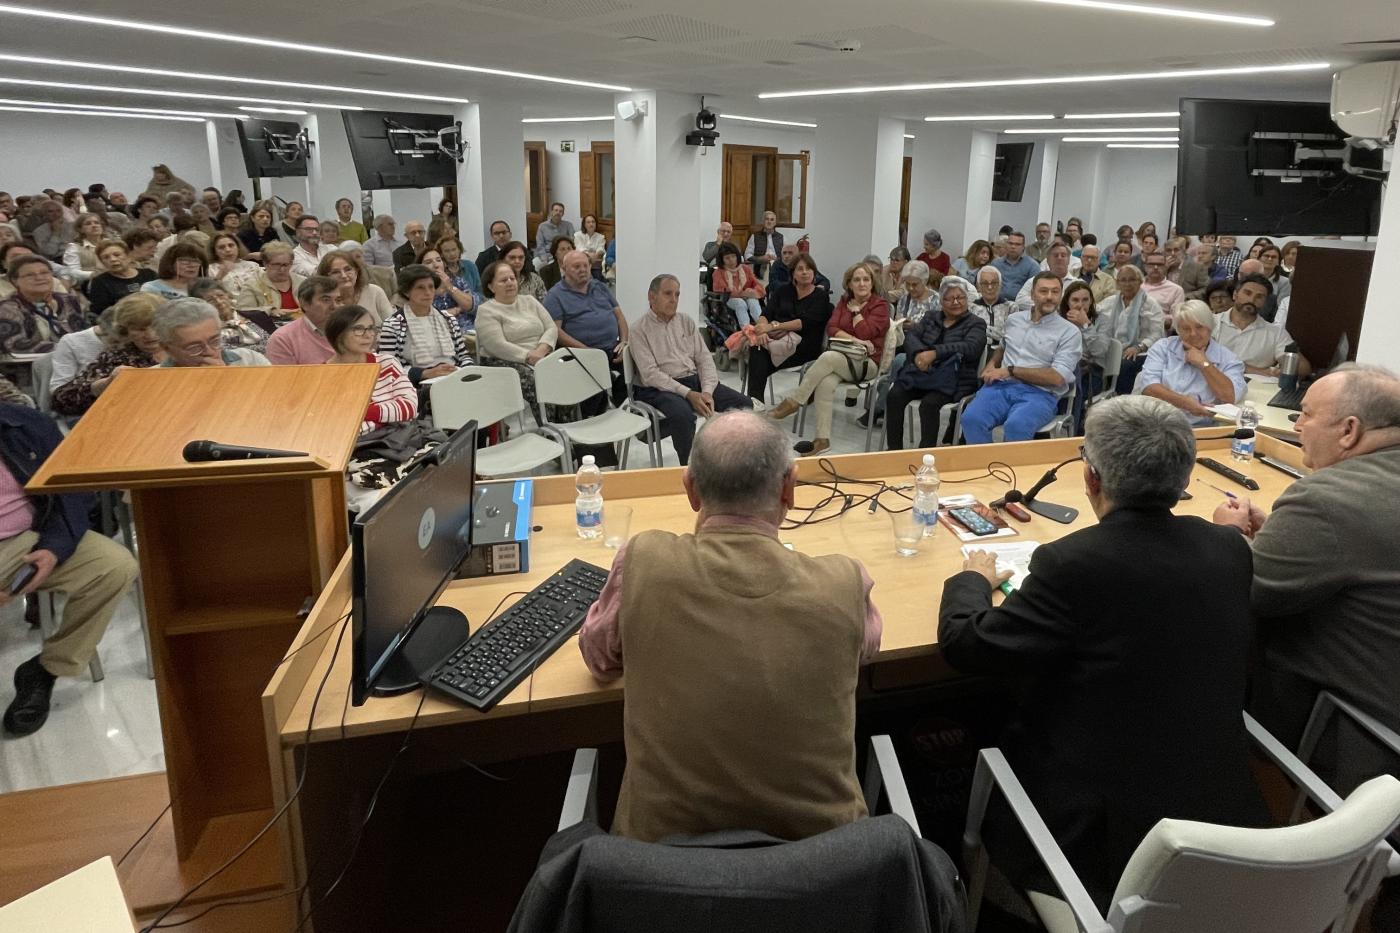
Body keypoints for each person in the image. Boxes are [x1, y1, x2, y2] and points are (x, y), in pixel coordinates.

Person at [942, 395, 1267, 909]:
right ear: (1184, 477)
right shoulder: (1229, 548)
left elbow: (967, 645)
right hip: (1223, 818)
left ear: (1091, 478)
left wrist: (971, 581)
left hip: (1102, 842)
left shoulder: (1071, 563)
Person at [577, 410, 880, 842]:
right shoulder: (844, 582)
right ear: (789, 489)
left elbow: (600, 660)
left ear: (690, 489)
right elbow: (865, 648)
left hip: (657, 862)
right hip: (824, 864)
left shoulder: (644, 561)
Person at [1211, 365, 1400, 765]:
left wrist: (1230, 534)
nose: (1296, 426)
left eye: (1306, 415)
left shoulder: (1326, 499)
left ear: (1349, 431)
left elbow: (1238, 592)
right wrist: (1276, 535)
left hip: (1356, 734)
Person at [0, 399, 139, 737]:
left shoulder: (23, 423)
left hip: (27, 536)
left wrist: (53, 548)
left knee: (114, 566)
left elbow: (70, 491)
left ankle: (47, 668)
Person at [767, 263, 890, 457]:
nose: (862, 284)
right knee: (825, 383)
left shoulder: (880, 306)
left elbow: (867, 332)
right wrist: (856, 340)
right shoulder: (844, 301)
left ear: (872, 283)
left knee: (827, 357)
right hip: (840, 360)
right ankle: (822, 440)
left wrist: (856, 313)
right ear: (849, 284)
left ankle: (795, 401)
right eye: (857, 280)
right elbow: (831, 328)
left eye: (866, 279)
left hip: (867, 364)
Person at [630, 274, 753, 465]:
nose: (674, 299)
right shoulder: (639, 329)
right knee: (683, 416)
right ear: (651, 296)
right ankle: (689, 469)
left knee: (744, 405)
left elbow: (704, 359)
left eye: (677, 294)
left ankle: (733, 460)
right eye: (668, 294)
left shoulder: (686, 321)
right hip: (657, 388)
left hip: (692, 380)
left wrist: (707, 392)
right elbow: (650, 375)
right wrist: (689, 394)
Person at [960, 272, 1081, 444]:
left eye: (1055, 292)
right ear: (1032, 294)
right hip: (1001, 387)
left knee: (1016, 426)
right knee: (971, 419)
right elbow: (1003, 346)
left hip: (1040, 393)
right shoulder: (1014, 320)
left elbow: (1057, 378)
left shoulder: (1069, 332)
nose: (1049, 297)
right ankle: (986, 461)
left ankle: (1013, 463)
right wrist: (992, 364)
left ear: (1061, 295)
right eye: (1043, 291)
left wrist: (1010, 371)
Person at [884, 276, 987, 450]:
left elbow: (971, 347)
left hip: (955, 380)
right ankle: (894, 451)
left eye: (960, 298)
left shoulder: (976, 323)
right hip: (921, 374)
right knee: (894, 395)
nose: (956, 302)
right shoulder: (931, 317)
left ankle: (926, 454)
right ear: (941, 301)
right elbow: (911, 337)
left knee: (929, 405)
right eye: (950, 298)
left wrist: (934, 353)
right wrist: (918, 355)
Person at [52, 293, 165, 417]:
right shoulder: (118, 357)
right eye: (140, 329)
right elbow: (61, 401)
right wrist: (105, 384)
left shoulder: (178, 349)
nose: (150, 335)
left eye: (155, 326)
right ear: (125, 330)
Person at [1138, 299, 1246, 424]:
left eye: (1199, 327)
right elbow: (1149, 387)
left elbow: (1229, 397)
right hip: (1157, 421)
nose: (1193, 334)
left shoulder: (1229, 359)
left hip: (1201, 426)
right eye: (1186, 328)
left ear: (1210, 327)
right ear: (1178, 330)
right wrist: (1184, 402)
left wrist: (1204, 364)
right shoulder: (1163, 347)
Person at [744, 253, 833, 401]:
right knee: (758, 348)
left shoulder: (820, 296)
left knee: (760, 360)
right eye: (800, 269)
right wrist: (761, 330)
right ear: (793, 273)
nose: (805, 272)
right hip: (777, 342)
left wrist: (772, 327)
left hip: (804, 347)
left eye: (809, 269)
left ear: (814, 273)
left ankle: (753, 403)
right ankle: (756, 403)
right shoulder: (783, 291)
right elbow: (766, 313)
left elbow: (803, 323)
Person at [474, 259, 556, 410]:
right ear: (491, 286)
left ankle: (571, 421)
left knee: (566, 373)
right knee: (539, 381)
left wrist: (541, 350)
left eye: (512, 278)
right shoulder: (486, 311)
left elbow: (551, 328)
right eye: (503, 280)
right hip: (504, 360)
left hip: (540, 354)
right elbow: (497, 345)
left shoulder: (529, 301)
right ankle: (549, 422)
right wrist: (529, 356)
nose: (510, 283)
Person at [324, 304, 417, 434]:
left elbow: (409, 408)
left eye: (371, 328)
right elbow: (335, 424)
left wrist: (360, 412)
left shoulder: (387, 363)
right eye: (358, 329)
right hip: (356, 443)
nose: (368, 335)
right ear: (338, 333)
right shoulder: (322, 375)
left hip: (398, 439)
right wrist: (387, 416)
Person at [377, 264, 473, 384]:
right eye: (420, 288)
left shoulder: (449, 319)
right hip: (416, 386)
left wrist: (467, 372)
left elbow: (463, 356)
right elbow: (388, 368)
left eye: (431, 287)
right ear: (406, 292)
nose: (428, 292)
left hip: (456, 379)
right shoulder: (393, 325)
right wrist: (424, 373)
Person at [544, 251, 627, 371]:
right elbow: (556, 331)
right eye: (577, 266)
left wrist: (624, 342)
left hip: (613, 350)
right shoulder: (555, 295)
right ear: (564, 269)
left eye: (586, 265)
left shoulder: (600, 287)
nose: (582, 270)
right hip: (579, 356)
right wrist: (586, 351)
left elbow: (619, 316)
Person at [1095, 264, 1164, 395]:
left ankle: (1122, 399)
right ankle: (1097, 398)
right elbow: (1094, 316)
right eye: (1123, 280)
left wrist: (1139, 347)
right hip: (1113, 349)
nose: (1127, 284)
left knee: (1125, 364)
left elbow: (1157, 334)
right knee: (1094, 362)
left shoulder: (1150, 304)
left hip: (1141, 352)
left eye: (1132, 279)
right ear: (1117, 283)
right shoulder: (1110, 302)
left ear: (1140, 281)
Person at [0, 254, 90, 354]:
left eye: (44, 273)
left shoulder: (69, 300)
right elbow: (14, 345)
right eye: (30, 275)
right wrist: (69, 349)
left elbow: (85, 334)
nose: (39, 278)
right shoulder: (6, 308)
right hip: (31, 362)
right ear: (15, 281)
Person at [1212, 273, 1297, 376]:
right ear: (1235, 295)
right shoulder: (1210, 322)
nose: (1251, 300)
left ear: (1265, 302)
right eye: (1247, 293)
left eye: (1259, 297)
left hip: (1255, 385)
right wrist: (1259, 371)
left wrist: (1289, 362)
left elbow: (1303, 368)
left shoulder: (1275, 333)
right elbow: (1204, 358)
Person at [154, 298, 271, 367]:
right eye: (194, 347)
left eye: (215, 341)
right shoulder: (150, 381)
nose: (209, 352)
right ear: (166, 348)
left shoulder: (251, 361)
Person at [265, 276, 338, 365]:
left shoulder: (350, 331)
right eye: (326, 300)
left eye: (338, 300)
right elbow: (285, 375)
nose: (335, 306)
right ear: (304, 303)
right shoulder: (283, 339)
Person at [190, 278, 269, 355]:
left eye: (221, 296)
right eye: (210, 300)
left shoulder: (257, 316)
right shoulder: (207, 331)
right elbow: (227, 354)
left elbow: (271, 341)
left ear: (228, 295)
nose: (219, 302)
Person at [319, 249, 395, 322]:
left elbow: (393, 324)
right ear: (325, 277)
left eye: (348, 269)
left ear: (356, 271)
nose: (344, 275)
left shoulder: (374, 291)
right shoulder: (323, 302)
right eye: (335, 272)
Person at [418, 245, 477, 335]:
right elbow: (423, 317)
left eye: (438, 260)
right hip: (437, 333)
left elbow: (470, 306)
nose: (436, 265)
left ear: (444, 264)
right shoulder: (419, 289)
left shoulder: (458, 281)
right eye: (429, 262)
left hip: (467, 331)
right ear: (420, 267)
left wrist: (450, 287)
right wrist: (454, 311)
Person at [87, 239, 157, 315]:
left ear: (128, 256)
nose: (113, 259)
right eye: (106, 257)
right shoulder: (99, 282)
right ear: (102, 262)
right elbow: (100, 313)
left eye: (117, 255)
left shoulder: (149, 274)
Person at [235, 242, 303, 319]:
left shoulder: (303, 282)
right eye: (276, 265)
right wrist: (270, 311)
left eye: (286, 264)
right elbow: (242, 310)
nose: (282, 269)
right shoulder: (252, 285)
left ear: (291, 263)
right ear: (265, 263)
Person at [709, 242, 765, 329]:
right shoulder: (718, 272)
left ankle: (762, 326)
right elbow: (722, 290)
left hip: (746, 296)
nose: (731, 260)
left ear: (737, 256)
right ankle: (746, 329)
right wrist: (743, 293)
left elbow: (758, 285)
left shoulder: (745, 269)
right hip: (729, 299)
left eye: (733, 256)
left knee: (753, 301)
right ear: (722, 259)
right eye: (727, 258)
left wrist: (753, 291)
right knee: (740, 303)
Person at [1014, 242, 1075, 313]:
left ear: (1069, 260)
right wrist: (1047, 306)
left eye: (1063, 255)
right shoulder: (1036, 280)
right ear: (1047, 260)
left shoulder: (1076, 283)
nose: (1059, 258)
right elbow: (1020, 300)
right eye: (1055, 255)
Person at [206, 232, 260, 300]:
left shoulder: (252, 265)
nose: (227, 250)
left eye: (231, 245)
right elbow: (210, 293)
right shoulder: (212, 268)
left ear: (238, 247)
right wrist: (221, 275)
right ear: (215, 251)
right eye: (221, 247)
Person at [990, 231, 1040, 302]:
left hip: (1021, 305)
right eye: (1010, 243)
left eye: (1017, 244)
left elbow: (1036, 289)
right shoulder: (996, 264)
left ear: (1023, 247)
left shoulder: (1032, 266)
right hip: (997, 303)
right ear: (1006, 245)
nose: (1013, 247)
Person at [1140, 251, 1185, 328]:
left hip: (1162, 329)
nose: (1155, 267)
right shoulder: (1137, 287)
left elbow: (1177, 318)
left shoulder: (1176, 290)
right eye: (1151, 264)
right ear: (1145, 267)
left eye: (1160, 265)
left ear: (1165, 267)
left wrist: (1154, 319)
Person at [970, 266, 1013, 345]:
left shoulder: (1011, 307)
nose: (990, 287)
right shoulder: (971, 308)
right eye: (985, 283)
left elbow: (1012, 336)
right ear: (978, 286)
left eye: (994, 283)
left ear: (1000, 285)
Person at [61, 212, 107, 283]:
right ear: (80, 229)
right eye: (88, 224)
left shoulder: (112, 243)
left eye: (97, 223)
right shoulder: (74, 247)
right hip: (89, 283)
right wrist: (94, 274)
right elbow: (72, 272)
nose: (94, 225)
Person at [744, 210, 783, 280]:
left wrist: (777, 259)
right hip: (760, 267)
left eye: (772, 220)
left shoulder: (781, 237)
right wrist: (760, 258)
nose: (769, 222)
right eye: (767, 219)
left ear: (775, 223)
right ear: (763, 222)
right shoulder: (755, 236)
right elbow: (747, 255)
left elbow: (787, 255)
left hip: (777, 268)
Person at [575, 213, 606, 279]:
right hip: (581, 264)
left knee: (596, 280)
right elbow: (580, 249)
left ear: (596, 224)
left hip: (595, 265)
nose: (591, 224)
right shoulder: (578, 235)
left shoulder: (600, 237)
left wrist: (595, 254)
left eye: (593, 222)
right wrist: (590, 255)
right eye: (588, 222)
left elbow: (601, 249)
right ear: (584, 224)